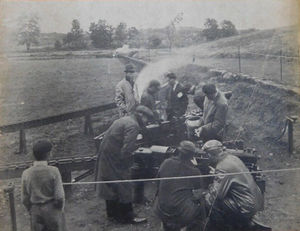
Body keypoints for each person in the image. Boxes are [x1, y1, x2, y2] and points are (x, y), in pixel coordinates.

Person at [96, 105, 154, 224]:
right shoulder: (133, 125)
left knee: (110, 183)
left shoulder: (124, 119)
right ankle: (128, 217)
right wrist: (129, 164)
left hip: (106, 154)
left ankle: (112, 214)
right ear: (141, 115)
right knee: (124, 185)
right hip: (116, 157)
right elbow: (127, 149)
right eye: (147, 118)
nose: (147, 122)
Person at [202, 140, 264, 231]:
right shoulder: (232, 158)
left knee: (209, 199)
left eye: (207, 156)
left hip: (246, 206)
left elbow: (217, 195)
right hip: (256, 200)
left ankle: (222, 227)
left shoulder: (222, 167)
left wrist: (207, 189)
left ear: (210, 155)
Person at [154, 141, 206, 231]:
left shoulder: (166, 162)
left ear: (178, 151)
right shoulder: (194, 171)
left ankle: (166, 226)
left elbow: (158, 183)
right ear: (192, 155)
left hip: (160, 209)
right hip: (180, 213)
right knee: (202, 205)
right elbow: (198, 195)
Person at [21, 140, 66, 231]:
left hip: (35, 211)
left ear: (34, 155)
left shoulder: (26, 173)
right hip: (52, 210)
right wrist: (58, 210)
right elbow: (60, 196)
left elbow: (24, 198)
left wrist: (31, 210)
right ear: (48, 154)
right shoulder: (54, 171)